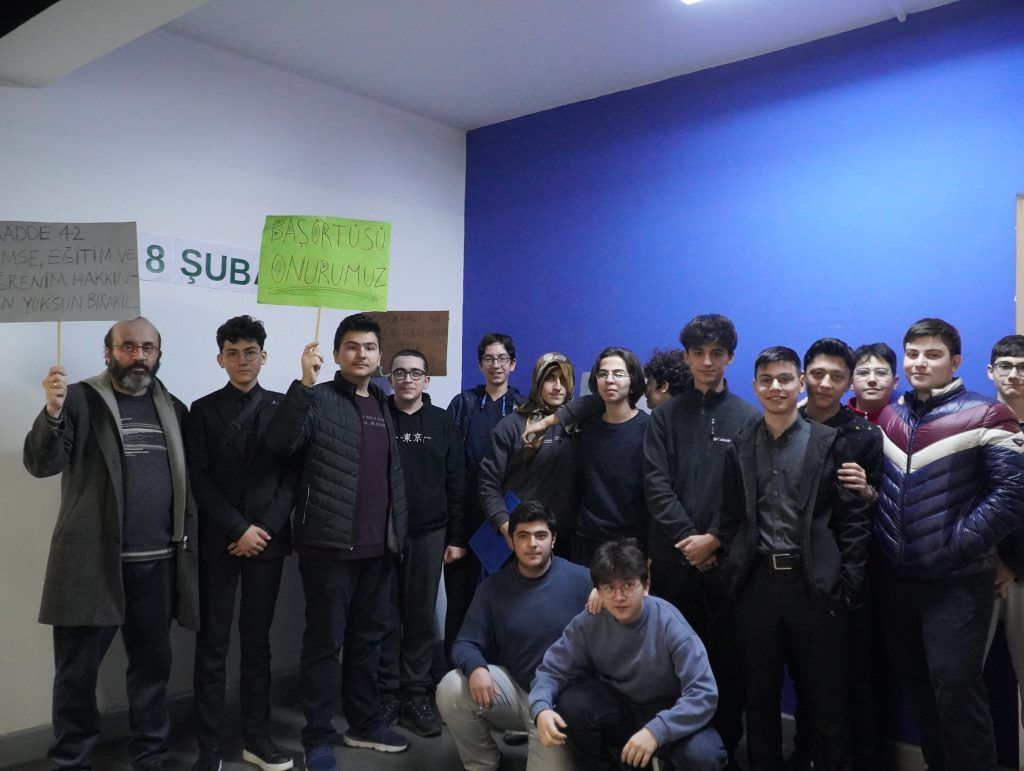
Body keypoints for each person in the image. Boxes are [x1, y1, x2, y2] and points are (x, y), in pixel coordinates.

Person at [23, 316, 199, 770]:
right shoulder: (79, 400)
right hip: (92, 564)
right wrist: (52, 412)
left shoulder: (174, 407)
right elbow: (42, 463)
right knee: (76, 674)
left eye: (147, 348)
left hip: (157, 563)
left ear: (159, 354)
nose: (138, 356)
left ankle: (150, 755)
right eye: (127, 347)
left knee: (151, 669)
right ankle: (71, 759)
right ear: (109, 352)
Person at [873, 318, 1024, 769]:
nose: (920, 362)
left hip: (957, 584)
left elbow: (1012, 494)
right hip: (898, 584)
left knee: (958, 694)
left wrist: (956, 547)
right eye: (913, 353)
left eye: (933, 354)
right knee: (921, 695)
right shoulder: (892, 416)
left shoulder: (988, 414)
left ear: (955, 362)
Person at [265, 313, 409, 771]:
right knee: (324, 646)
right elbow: (280, 444)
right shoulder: (319, 398)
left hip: (378, 549)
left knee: (368, 642)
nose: (361, 354)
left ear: (379, 356)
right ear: (336, 353)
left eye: (369, 347)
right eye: (351, 346)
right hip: (329, 549)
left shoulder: (383, 403)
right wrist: (303, 385)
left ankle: (364, 724)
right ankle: (317, 739)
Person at [718, 346, 870, 771]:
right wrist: (733, 572)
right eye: (766, 380)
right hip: (757, 587)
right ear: (755, 387)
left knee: (826, 698)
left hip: (814, 586)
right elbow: (729, 518)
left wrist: (848, 581)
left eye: (785, 378)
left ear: (800, 383)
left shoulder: (829, 442)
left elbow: (852, 519)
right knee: (760, 697)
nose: (776, 387)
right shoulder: (740, 445)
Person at [186, 315, 298, 771]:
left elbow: (290, 479)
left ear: (263, 356)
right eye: (232, 353)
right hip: (220, 542)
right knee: (212, 644)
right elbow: (198, 479)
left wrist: (261, 529)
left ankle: (258, 738)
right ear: (220, 359)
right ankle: (209, 748)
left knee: (257, 643)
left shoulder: (283, 407)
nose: (241, 360)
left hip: (267, 543)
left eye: (250, 352)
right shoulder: (201, 410)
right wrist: (237, 529)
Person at [531, 538, 726, 771]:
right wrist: (541, 708)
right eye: (609, 588)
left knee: (704, 755)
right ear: (597, 591)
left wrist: (656, 731)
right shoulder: (588, 622)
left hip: (671, 711)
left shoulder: (670, 624)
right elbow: (552, 670)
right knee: (574, 703)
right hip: (622, 709)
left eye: (627, 586)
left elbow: (703, 693)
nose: (618, 596)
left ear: (646, 586)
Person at [436, 500, 592, 771]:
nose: (532, 544)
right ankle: (483, 763)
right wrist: (476, 668)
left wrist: (604, 594)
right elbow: (464, 642)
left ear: (553, 539)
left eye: (540, 535)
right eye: (523, 536)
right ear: (511, 540)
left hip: (558, 703)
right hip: (516, 691)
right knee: (451, 687)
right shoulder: (494, 586)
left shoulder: (583, 580)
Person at [799, 338, 887, 770]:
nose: (825, 383)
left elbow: (886, 506)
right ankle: (808, 756)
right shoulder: (785, 423)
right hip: (798, 572)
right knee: (805, 675)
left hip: (852, 571)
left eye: (836, 376)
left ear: (849, 381)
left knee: (858, 676)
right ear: (804, 376)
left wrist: (867, 492)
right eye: (817, 374)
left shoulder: (866, 435)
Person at [377, 348, 465, 737]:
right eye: (400, 373)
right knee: (382, 615)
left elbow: (456, 481)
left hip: (430, 533)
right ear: (390, 379)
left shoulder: (442, 421)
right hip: (382, 532)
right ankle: (386, 693)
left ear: (427, 380)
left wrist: (457, 537)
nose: (407, 379)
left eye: (415, 373)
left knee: (420, 615)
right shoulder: (378, 416)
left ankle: (415, 692)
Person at [445, 333, 524, 660]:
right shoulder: (463, 404)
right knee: (460, 601)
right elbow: (450, 464)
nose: (496, 365)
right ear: (480, 365)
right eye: (489, 359)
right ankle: (453, 669)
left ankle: (501, 672)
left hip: (506, 518)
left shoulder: (524, 408)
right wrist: (455, 533)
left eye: (502, 358)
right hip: (465, 515)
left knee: (506, 601)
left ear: (513, 364)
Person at [478, 352, 579, 558]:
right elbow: (488, 483)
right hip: (521, 535)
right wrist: (505, 526)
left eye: (564, 379)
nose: (558, 386)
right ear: (538, 382)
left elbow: (599, 401)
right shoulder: (511, 426)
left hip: (568, 537)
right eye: (550, 378)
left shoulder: (580, 425)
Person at [571, 347, 650, 564]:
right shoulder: (587, 426)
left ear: (633, 380)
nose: (609, 380)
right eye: (603, 374)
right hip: (586, 537)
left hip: (631, 542)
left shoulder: (649, 429)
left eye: (618, 374)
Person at [985, 335, 1024, 740]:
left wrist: (1014, 565)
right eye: (1006, 365)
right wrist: (995, 560)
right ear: (991, 371)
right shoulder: (973, 424)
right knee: (958, 679)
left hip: (1023, 575)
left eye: (1023, 366)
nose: (1015, 374)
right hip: (979, 572)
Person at [848, 342, 900, 424]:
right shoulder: (835, 421)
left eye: (881, 373)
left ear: (895, 382)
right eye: (863, 373)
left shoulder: (906, 424)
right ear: (851, 382)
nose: (871, 379)